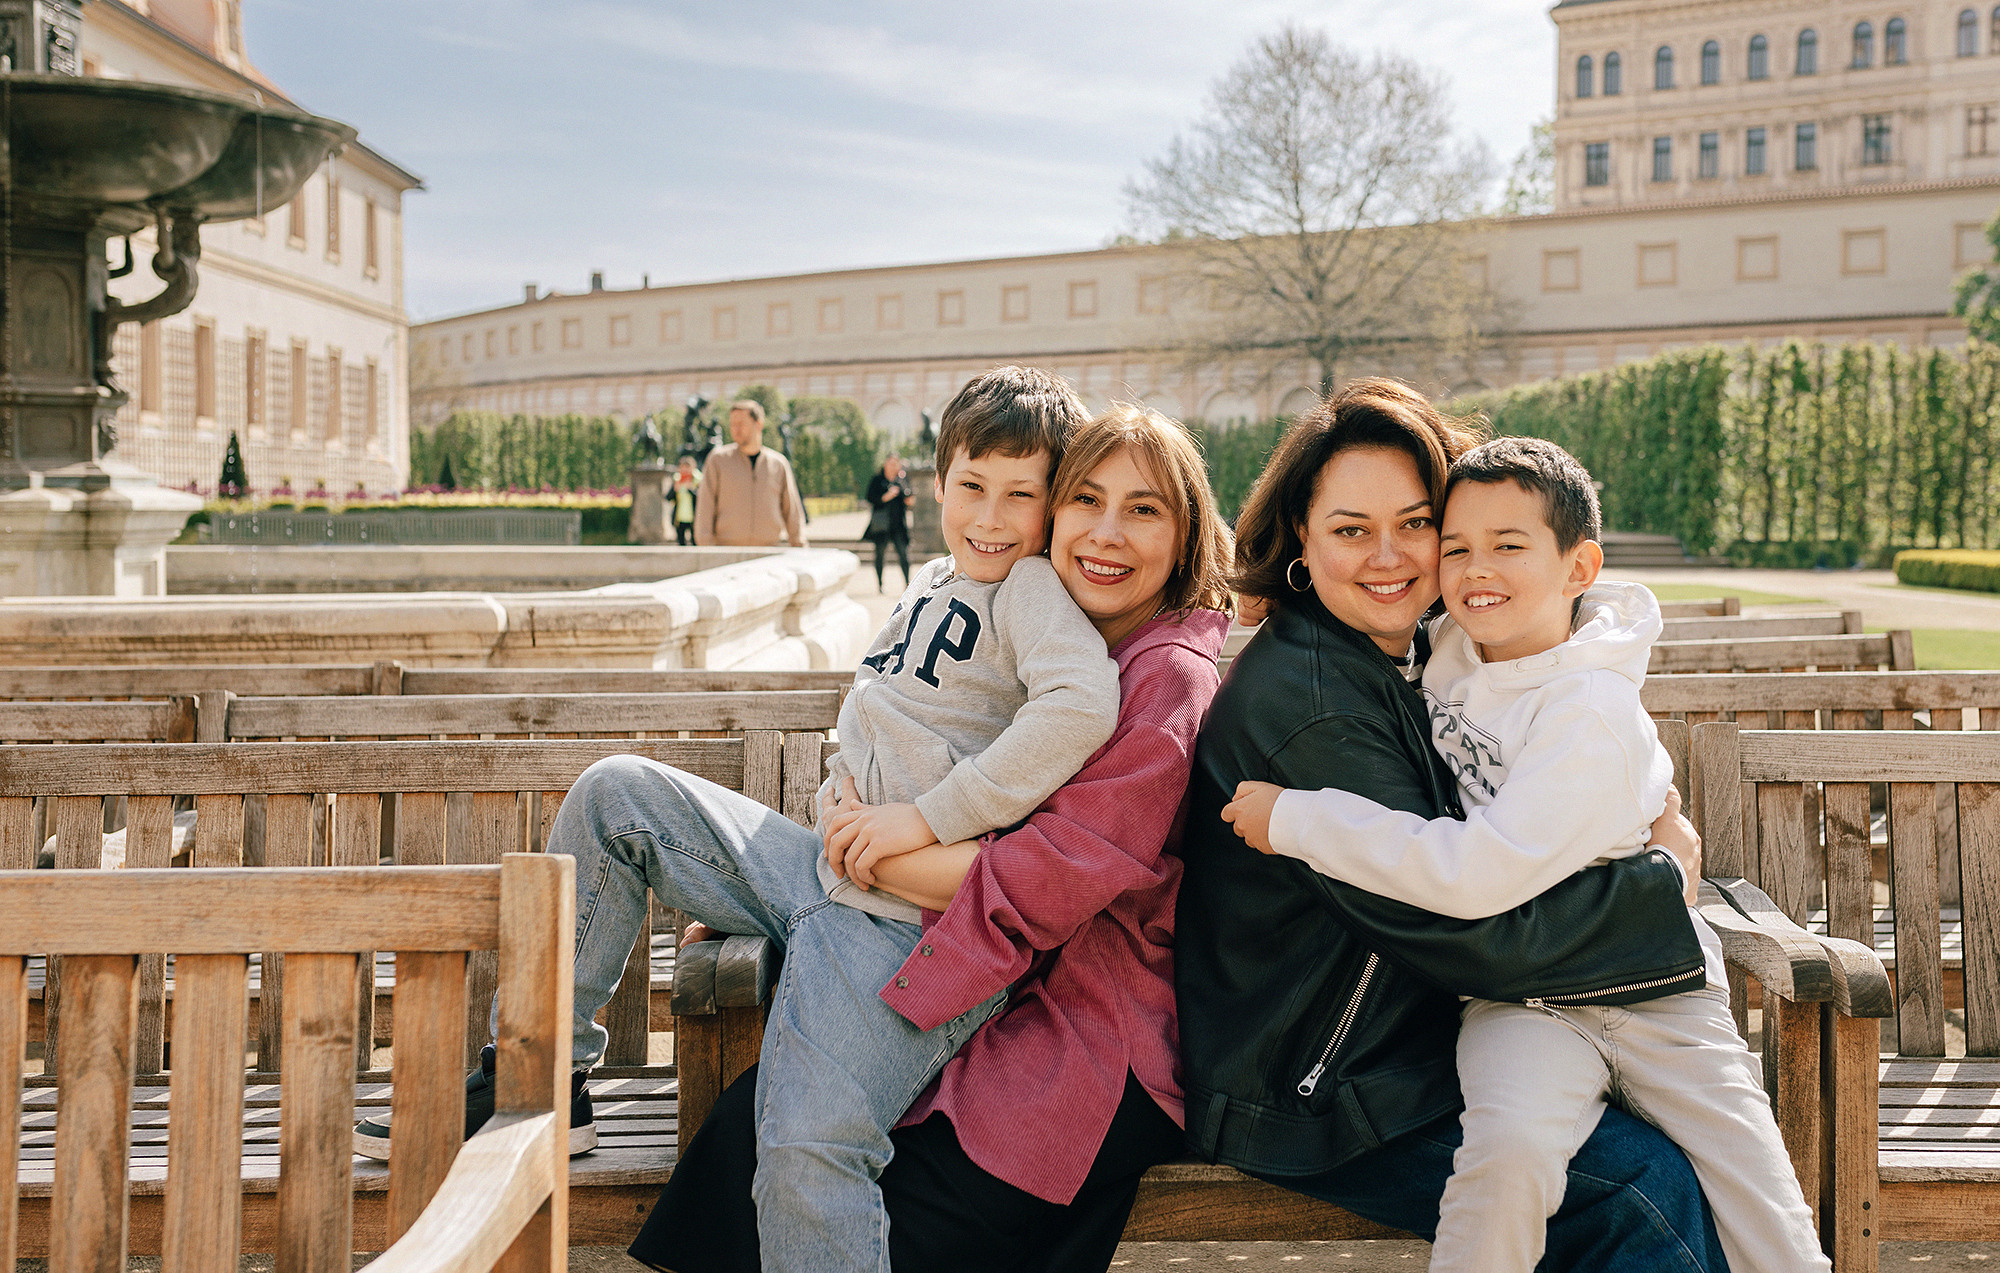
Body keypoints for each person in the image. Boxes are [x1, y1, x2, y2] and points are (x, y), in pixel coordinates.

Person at [353, 365, 1131, 1273]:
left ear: (1051, 505)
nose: (991, 516)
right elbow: (881, 715)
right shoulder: (930, 578)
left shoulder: (1030, 590)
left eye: (1020, 495)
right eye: (973, 486)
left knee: (806, 1150)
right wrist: (835, 800)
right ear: (937, 480)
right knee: (616, 795)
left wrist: (926, 817)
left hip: (908, 929)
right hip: (818, 871)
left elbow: (1080, 707)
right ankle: (539, 1077)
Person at [631, 401, 1236, 1273]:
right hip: (988, 972)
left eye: (1143, 509)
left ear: (1185, 535)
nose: (1106, 532)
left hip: (1087, 1035)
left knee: (837, 1172)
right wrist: (794, 893)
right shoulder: (1058, 638)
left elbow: (1050, 880)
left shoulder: (1165, 676)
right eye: (1086, 499)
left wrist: (866, 858)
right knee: (752, 1133)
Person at [1220, 435, 1826, 1273]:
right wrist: (1271, 596)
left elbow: (1476, 873)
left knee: (1765, 1215)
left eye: (1503, 544)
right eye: (1457, 545)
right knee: (1504, 1164)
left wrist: (1300, 818)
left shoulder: (1590, 712)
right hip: (1517, 1005)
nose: (1473, 568)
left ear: (1579, 568)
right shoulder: (1446, 650)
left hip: (1655, 1000)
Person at [694, 399, 808, 547]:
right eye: (732, 424)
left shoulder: (778, 464)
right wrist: (706, 548)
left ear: (758, 424)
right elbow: (705, 506)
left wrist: (800, 545)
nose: (735, 429)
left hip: (769, 552)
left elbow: (791, 510)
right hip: (726, 552)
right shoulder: (717, 460)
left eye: (741, 424)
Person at [863, 452, 914, 592]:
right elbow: (869, 498)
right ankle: (880, 584)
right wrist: (886, 497)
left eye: (895, 464)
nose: (893, 466)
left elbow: (910, 500)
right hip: (882, 526)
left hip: (898, 525)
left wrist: (904, 488)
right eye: (891, 463)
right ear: (885, 464)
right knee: (879, 555)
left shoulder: (902, 479)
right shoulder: (877, 479)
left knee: (904, 555)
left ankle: (907, 584)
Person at [672, 453, 700, 546]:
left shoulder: (698, 480)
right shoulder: (677, 479)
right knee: (681, 542)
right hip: (680, 517)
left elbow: (701, 498)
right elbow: (668, 497)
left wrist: (690, 489)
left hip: (694, 516)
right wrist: (675, 489)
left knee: (695, 542)